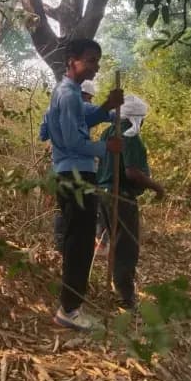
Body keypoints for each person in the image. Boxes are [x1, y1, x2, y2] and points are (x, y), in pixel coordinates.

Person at [43, 38, 123, 330]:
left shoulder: (74, 94)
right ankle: (69, 310)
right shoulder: (66, 95)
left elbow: (82, 120)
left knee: (80, 240)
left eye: (97, 61)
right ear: (72, 60)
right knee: (79, 243)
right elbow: (72, 140)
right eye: (90, 60)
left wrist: (105, 108)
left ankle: (71, 305)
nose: (95, 66)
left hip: (76, 174)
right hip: (75, 176)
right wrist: (106, 148)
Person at [96, 94, 164, 310]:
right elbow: (132, 172)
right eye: (142, 118)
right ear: (136, 118)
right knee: (126, 247)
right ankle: (125, 297)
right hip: (120, 197)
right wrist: (157, 187)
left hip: (103, 194)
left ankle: (115, 289)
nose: (142, 122)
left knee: (115, 243)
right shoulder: (130, 135)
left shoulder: (107, 132)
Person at [43, 79, 105, 253]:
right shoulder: (79, 106)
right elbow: (107, 113)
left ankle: (62, 247)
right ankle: (73, 250)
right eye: (89, 97)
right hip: (76, 171)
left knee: (64, 209)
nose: (90, 101)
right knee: (82, 213)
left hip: (58, 167)